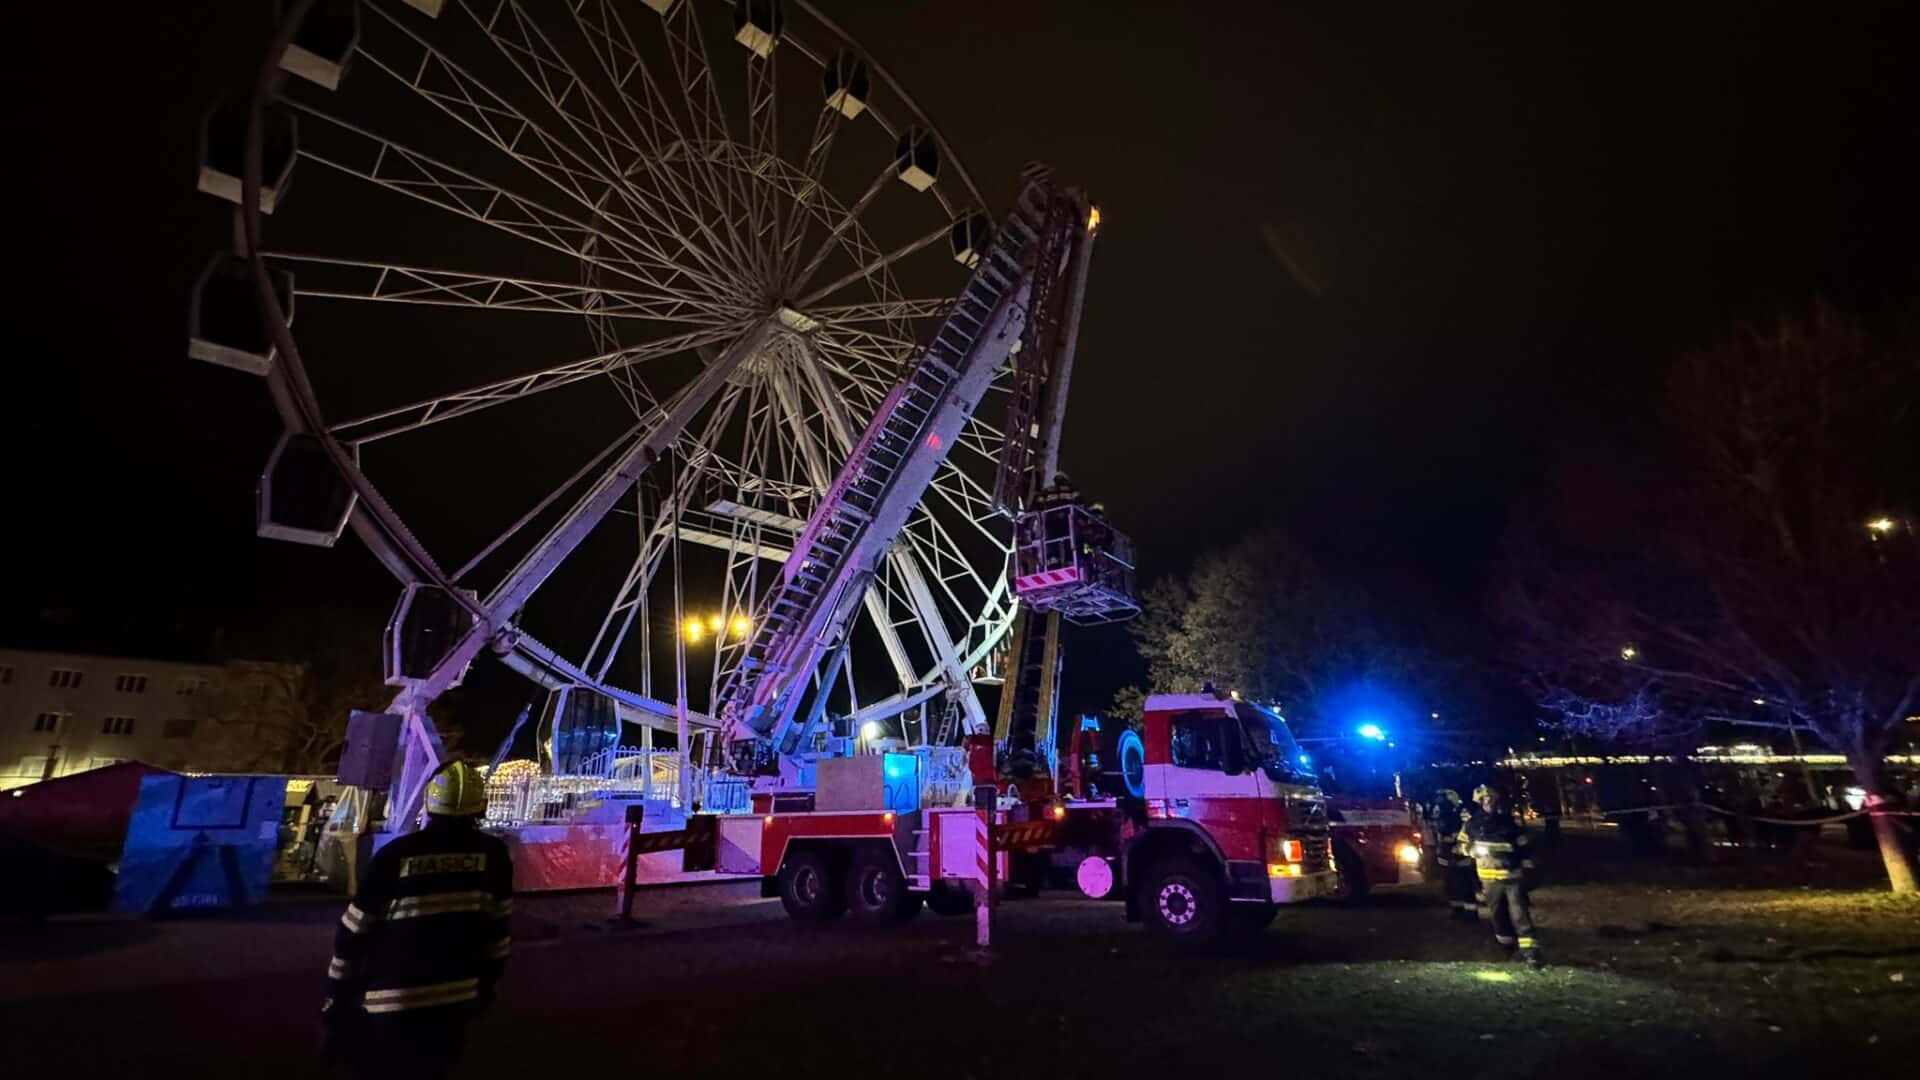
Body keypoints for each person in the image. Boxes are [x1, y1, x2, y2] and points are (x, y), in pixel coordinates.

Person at [323, 762, 514, 1079]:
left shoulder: (396, 855)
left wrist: (337, 992)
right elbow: (498, 934)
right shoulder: (494, 856)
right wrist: (487, 987)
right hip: (458, 997)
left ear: (429, 800)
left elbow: (353, 931)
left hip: (390, 999)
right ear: (481, 806)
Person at [1462, 785, 1542, 967]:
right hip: (1488, 877)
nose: (1488, 803)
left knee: (1519, 913)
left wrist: (1527, 863)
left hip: (1512, 875)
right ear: (1480, 802)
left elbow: (1524, 845)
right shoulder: (1472, 824)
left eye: (1491, 800)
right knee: (1498, 914)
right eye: (1485, 800)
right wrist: (1471, 850)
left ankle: (1530, 952)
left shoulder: (1509, 823)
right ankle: (1507, 948)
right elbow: (1462, 845)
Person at [1430, 789, 1478, 920]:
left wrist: (1455, 837)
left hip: (1460, 851)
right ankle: (1457, 909)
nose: (1439, 801)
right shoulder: (1439, 812)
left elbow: (1468, 828)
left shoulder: (1462, 812)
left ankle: (1471, 912)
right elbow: (1436, 828)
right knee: (1450, 883)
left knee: (1464, 882)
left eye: (1443, 798)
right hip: (1445, 852)